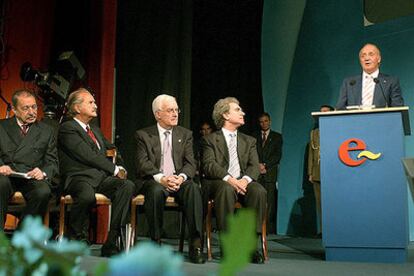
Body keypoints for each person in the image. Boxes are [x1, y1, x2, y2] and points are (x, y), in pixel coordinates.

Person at [58, 88, 135, 257]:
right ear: (77, 108)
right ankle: (77, 236)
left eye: (95, 102)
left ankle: (111, 241)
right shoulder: (67, 128)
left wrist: (120, 166)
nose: (96, 105)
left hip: (99, 178)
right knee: (86, 196)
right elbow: (87, 155)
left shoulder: (95, 130)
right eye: (90, 102)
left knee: (126, 186)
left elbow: (112, 149)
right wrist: (114, 169)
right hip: (78, 177)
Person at [135, 94, 205, 264]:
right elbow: (142, 163)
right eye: (170, 110)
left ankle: (195, 245)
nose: (175, 114)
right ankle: (156, 242)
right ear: (158, 114)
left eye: (176, 110)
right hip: (154, 180)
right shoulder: (143, 135)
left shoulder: (185, 134)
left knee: (193, 188)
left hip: (178, 179)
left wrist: (180, 178)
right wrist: (162, 178)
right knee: (156, 191)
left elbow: (191, 163)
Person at [201, 97, 267, 264]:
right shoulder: (209, 140)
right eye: (237, 110)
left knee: (259, 190)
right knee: (226, 189)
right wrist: (230, 179)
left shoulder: (249, 141)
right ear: (225, 115)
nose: (242, 113)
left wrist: (244, 180)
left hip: (243, 182)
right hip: (219, 182)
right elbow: (209, 165)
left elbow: (254, 166)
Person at [0, 89, 58, 231]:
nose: (32, 112)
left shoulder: (46, 130)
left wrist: (42, 172)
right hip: (7, 174)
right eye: (26, 108)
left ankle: (21, 238)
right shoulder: (2, 126)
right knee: (0, 184)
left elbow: (52, 162)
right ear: (14, 109)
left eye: (34, 107)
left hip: (30, 176)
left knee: (43, 191)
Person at [336, 43, 404, 110]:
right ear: (360, 61)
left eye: (371, 54)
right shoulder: (349, 83)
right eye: (363, 56)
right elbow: (340, 108)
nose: (366, 58)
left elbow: (398, 109)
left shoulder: (391, 82)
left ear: (379, 59)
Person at [253, 112, 282, 234]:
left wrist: (265, 165)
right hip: (257, 172)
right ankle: (256, 226)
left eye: (266, 121)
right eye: (261, 121)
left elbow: (277, 155)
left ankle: (268, 228)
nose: (263, 123)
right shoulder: (254, 137)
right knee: (256, 199)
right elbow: (251, 153)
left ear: (269, 121)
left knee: (269, 201)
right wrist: (258, 165)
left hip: (270, 172)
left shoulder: (277, 137)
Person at [308, 104, 334, 237]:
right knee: (320, 203)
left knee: (333, 202)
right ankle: (323, 230)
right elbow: (311, 154)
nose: (322, 114)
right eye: (321, 112)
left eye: (326, 112)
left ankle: (334, 228)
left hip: (333, 172)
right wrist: (310, 172)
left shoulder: (336, 130)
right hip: (317, 171)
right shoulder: (314, 133)